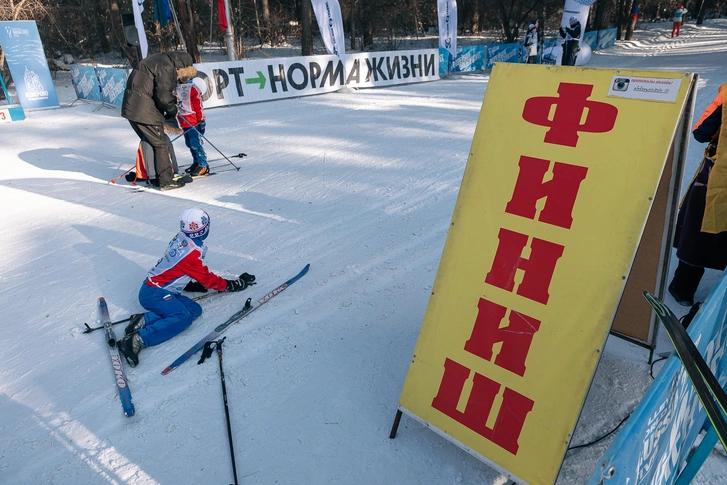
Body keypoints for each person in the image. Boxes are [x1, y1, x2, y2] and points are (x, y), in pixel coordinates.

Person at [117, 208, 256, 366]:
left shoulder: (183, 238)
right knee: (182, 317)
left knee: (194, 310)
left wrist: (188, 281)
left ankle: (142, 319)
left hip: (158, 288)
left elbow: (177, 266)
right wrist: (231, 285)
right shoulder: (190, 254)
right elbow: (208, 279)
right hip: (155, 292)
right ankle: (137, 340)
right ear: (204, 229)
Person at [669, 84, 727, 306]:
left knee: (700, 229)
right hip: (719, 174)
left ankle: (682, 288)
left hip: (718, 176)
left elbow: (700, 132)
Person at [121, 51, 197, 191]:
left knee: (149, 141)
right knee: (160, 143)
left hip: (132, 108)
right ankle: (165, 181)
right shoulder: (166, 66)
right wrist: (173, 108)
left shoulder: (158, 60)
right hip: (143, 110)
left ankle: (151, 176)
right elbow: (163, 96)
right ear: (182, 66)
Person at [176, 75, 209, 177]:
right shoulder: (176, 87)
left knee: (195, 143)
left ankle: (203, 164)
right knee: (189, 143)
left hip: (193, 121)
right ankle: (196, 162)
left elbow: (198, 105)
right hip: (184, 120)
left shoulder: (192, 87)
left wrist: (200, 120)